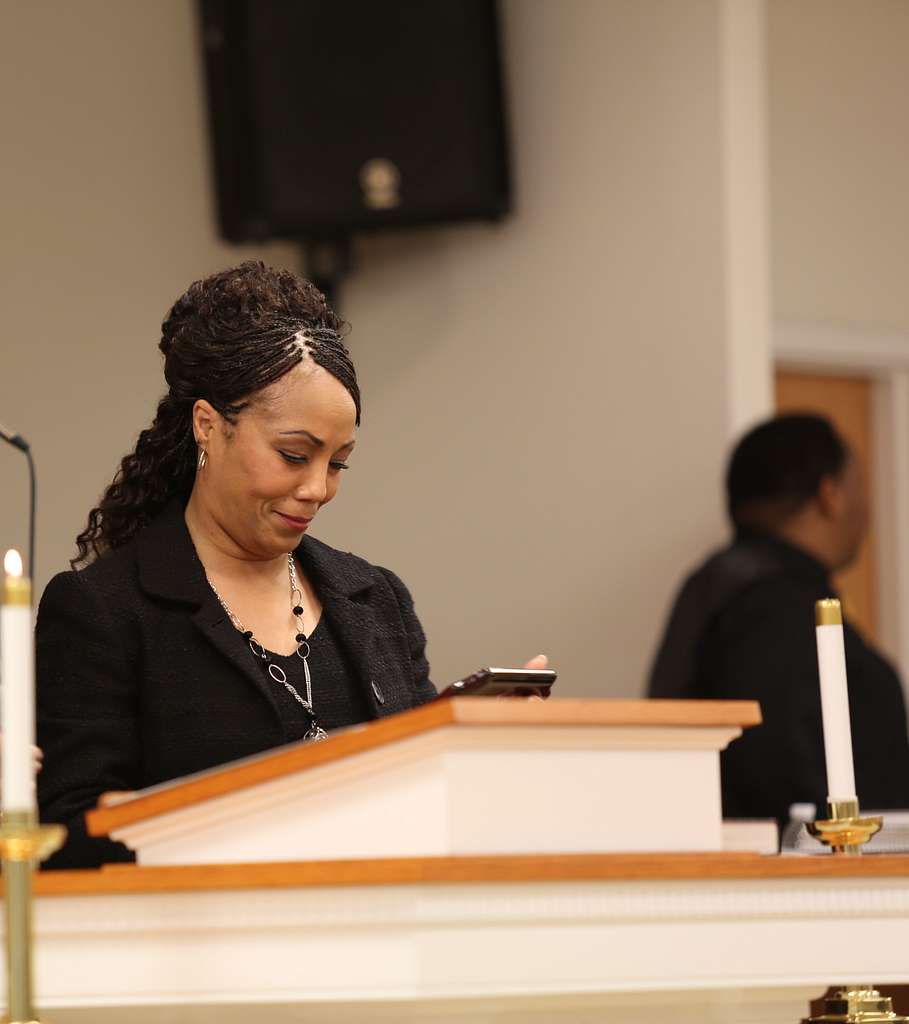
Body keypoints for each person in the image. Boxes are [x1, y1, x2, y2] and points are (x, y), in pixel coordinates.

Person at [36, 262, 546, 869]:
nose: (317, 489)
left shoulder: (375, 598)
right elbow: (66, 840)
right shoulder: (104, 611)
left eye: (338, 464)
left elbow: (419, 810)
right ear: (208, 425)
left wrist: (472, 750)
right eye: (293, 455)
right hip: (202, 947)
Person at [648, 414, 909, 825]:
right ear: (830, 495)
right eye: (858, 485)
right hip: (803, 873)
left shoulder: (718, 586)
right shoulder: (772, 601)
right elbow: (773, 761)